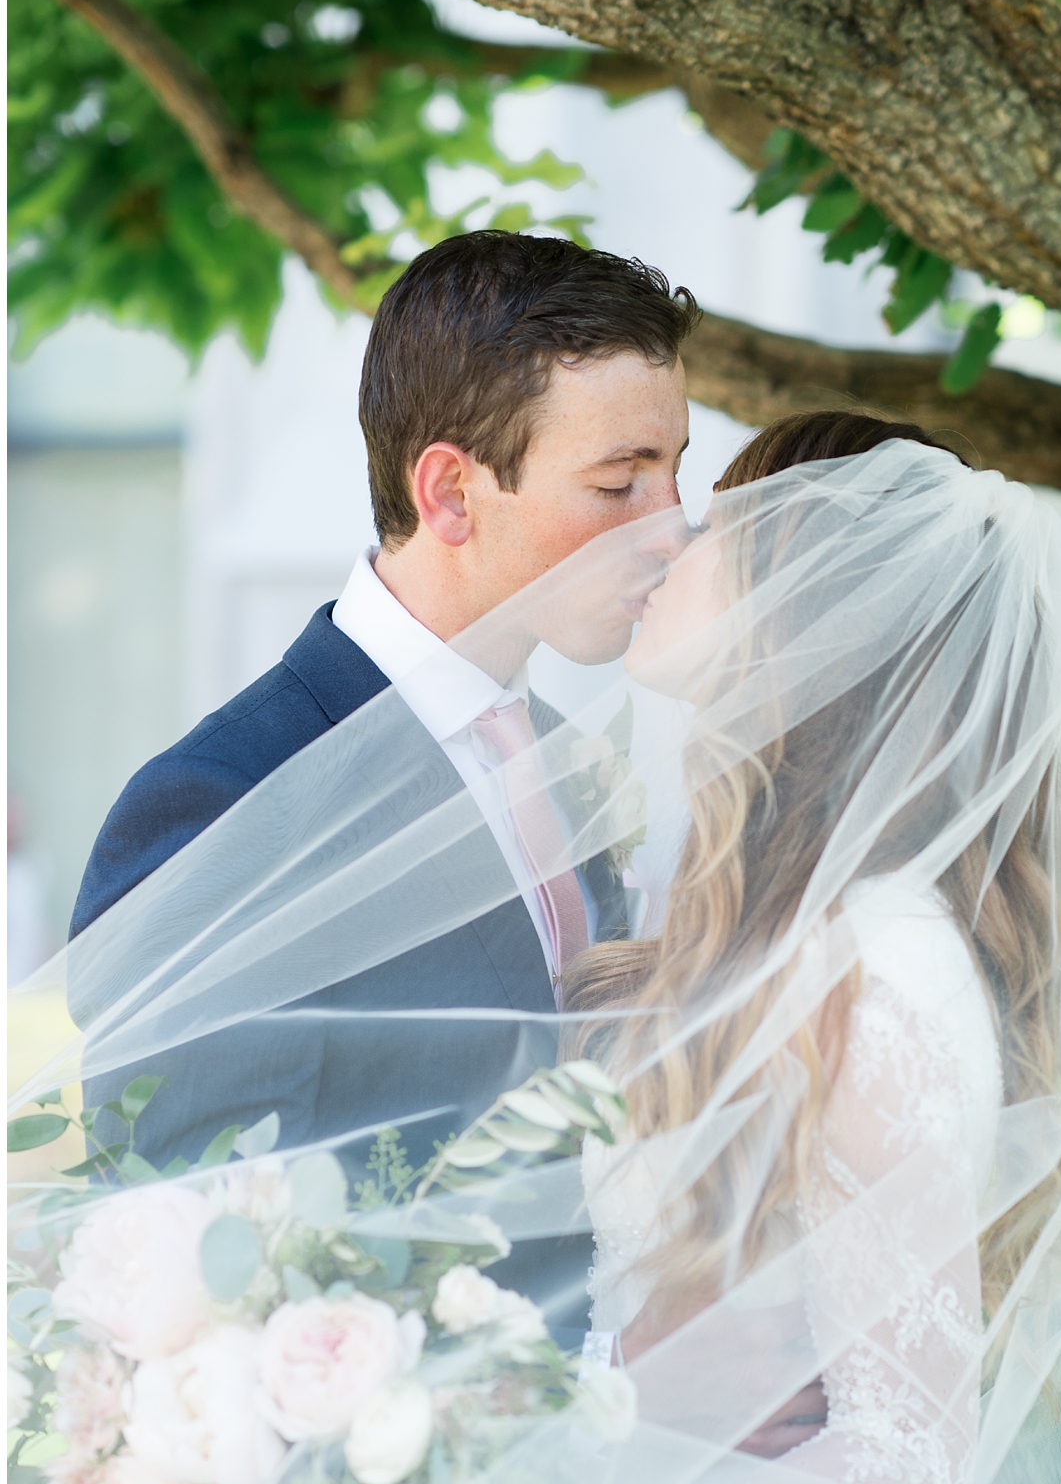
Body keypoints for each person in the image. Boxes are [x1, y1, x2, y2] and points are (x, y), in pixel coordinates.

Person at [19, 411, 1061, 1484]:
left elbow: (906, 1464)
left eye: (717, 521)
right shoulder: (726, 918)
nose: (672, 531)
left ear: (809, 622)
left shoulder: (890, 968)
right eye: (634, 481)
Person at [59, 229, 699, 1345]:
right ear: (450, 491)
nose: (672, 524)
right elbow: (200, 1269)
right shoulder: (225, 800)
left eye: (675, 469)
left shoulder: (578, 765)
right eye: (619, 481)